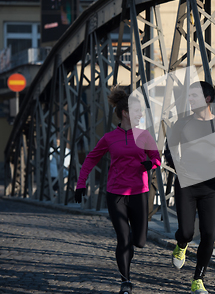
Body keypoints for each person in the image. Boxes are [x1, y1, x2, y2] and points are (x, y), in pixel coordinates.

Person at [74, 86, 161, 294]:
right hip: (116, 194)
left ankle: (130, 245)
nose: (141, 114)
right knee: (123, 238)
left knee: (138, 242)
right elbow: (91, 158)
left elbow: (156, 157)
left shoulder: (144, 135)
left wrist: (152, 164)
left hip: (139, 192)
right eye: (137, 111)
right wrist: (80, 183)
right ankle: (125, 282)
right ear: (125, 113)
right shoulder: (109, 138)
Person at [167, 81, 215, 294]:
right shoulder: (181, 124)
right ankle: (182, 245)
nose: (189, 100)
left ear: (207, 99)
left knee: (209, 234)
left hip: (209, 187)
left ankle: (198, 279)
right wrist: (177, 164)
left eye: (193, 96)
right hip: (186, 185)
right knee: (188, 232)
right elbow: (169, 151)